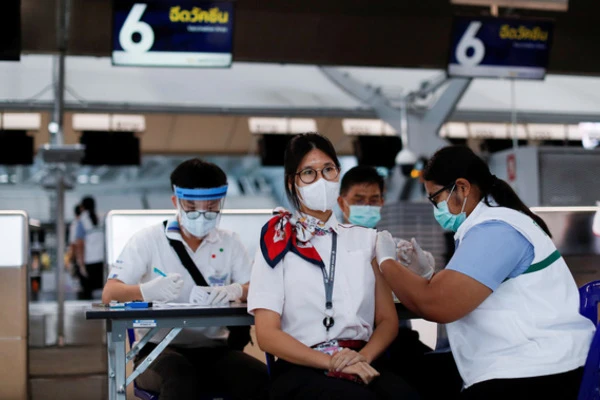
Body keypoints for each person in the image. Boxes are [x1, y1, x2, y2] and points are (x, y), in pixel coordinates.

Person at [375, 145, 595, 400]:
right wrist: (426, 276)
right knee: (414, 374)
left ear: (462, 187)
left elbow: (440, 306)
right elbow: (461, 291)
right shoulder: (490, 224)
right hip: (527, 358)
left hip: (539, 369)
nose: (435, 208)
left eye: (435, 198)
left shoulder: (496, 229)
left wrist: (386, 261)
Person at [248, 133, 418, 400]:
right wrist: (330, 362)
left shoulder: (367, 239)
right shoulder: (277, 239)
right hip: (302, 365)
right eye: (308, 173)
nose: (321, 180)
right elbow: (267, 334)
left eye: (328, 170)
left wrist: (361, 358)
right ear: (292, 183)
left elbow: (387, 321)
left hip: (363, 357)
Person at [102, 158, 268, 400]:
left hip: (214, 351)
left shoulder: (230, 242)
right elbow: (110, 293)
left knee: (261, 380)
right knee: (181, 379)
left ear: (220, 204)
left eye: (211, 207)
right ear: (175, 202)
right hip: (157, 351)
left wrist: (236, 291)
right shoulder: (147, 240)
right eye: (191, 207)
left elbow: (256, 287)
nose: (201, 215)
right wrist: (146, 291)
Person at [338, 165, 455, 400]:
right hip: (350, 343)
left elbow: (427, 292)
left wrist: (421, 271)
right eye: (359, 200)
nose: (367, 206)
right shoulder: (330, 248)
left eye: (373, 199)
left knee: (444, 374)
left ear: (382, 202)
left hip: (398, 341)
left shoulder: (393, 247)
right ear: (342, 203)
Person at [75, 196, 105, 299]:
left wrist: (81, 263)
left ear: (82, 207)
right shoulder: (102, 217)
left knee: (87, 293)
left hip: (89, 261)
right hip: (102, 260)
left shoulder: (82, 220)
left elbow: (80, 244)